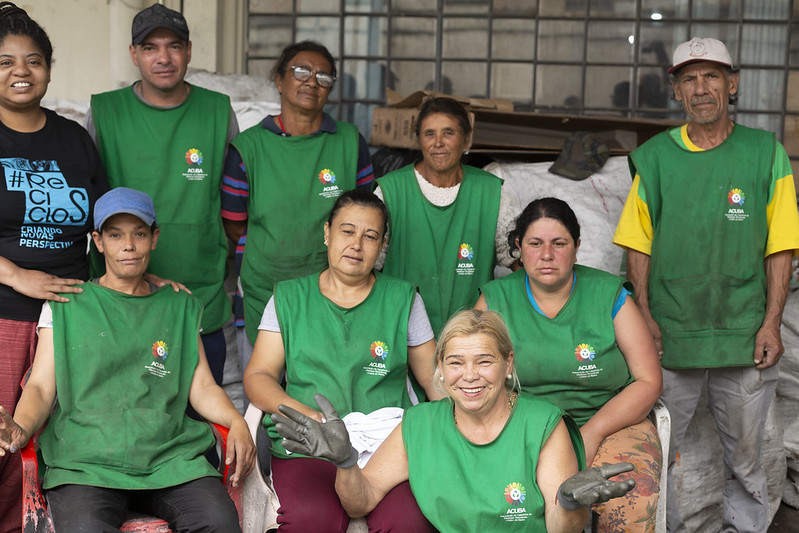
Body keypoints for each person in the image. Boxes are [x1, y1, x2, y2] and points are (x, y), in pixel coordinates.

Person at [613, 37, 799, 532]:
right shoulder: (653, 159)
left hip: (744, 335)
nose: (702, 88)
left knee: (746, 463)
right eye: (690, 78)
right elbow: (638, 242)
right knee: (655, 459)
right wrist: (646, 317)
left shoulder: (765, 153)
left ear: (732, 84)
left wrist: (772, 323)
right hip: (670, 335)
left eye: (712, 76)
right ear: (676, 89)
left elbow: (781, 245)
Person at [0, 187, 255, 533]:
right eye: (115, 235)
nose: (129, 245)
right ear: (98, 241)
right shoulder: (67, 306)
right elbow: (42, 387)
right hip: (86, 463)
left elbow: (202, 386)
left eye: (139, 234)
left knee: (219, 523)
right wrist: (21, 427)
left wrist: (236, 420)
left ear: (154, 238)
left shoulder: (178, 306)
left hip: (170, 461)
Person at [271, 309, 637, 532]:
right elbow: (360, 503)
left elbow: (561, 530)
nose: (470, 375)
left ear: (508, 364)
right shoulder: (420, 425)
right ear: (441, 369)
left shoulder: (542, 426)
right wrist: (347, 461)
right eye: (456, 362)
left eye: (484, 361)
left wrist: (570, 505)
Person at [244, 189, 439, 532]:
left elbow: (436, 382)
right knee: (311, 521)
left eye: (370, 236)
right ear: (327, 233)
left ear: (382, 247)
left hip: (387, 446)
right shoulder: (290, 298)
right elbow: (259, 376)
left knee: (409, 523)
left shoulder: (403, 300)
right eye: (347, 231)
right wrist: (308, 417)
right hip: (309, 445)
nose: (357, 244)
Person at [476, 197, 663, 532]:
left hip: (611, 423)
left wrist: (592, 432)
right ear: (519, 247)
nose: (546, 255)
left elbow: (648, 380)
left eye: (559, 243)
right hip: (523, 428)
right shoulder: (495, 300)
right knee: (513, 499)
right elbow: (472, 378)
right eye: (535, 243)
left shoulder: (610, 295)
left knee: (626, 498)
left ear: (577, 247)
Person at [87, 3, 237, 387]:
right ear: (134, 54)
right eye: (150, 47)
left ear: (189, 51)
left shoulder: (217, 110)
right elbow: (89, 198)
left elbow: (236, 198)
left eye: (174, 46)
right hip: (123, 291)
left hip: (200, 286)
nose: (164, 57)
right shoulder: (105, 111)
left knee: (205, 410)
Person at [0, 3, 109, 531]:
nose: (22, 71)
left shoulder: (73, 139)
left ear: (49, 67)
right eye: (5, 61)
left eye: (34, 60)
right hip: (4, 315)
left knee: (60, 441)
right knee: (2, 442)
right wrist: (18, 276)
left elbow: (106, 223)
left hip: (71, 317)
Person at [222, 40, 374, 369]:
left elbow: (367, 216)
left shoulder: (349, 142)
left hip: (337, 291)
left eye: (323, 76)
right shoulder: (248, 148)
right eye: (301, 71)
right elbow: (234, 224)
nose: (311, 81)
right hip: (265, 290)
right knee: (262, 394)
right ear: (279, 79)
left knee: (328, 394)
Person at [374, 96, 518, 336]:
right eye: (429, 134)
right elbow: (366, 268)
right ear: (418, 139)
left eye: (449, 133)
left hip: (470, 339)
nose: (438, 143)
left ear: (467, 138)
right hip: (400, 334)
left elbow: (521, 264)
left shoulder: (492, 192)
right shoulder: (390, 192)